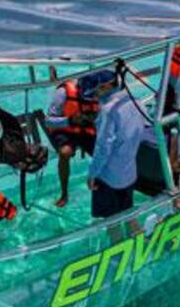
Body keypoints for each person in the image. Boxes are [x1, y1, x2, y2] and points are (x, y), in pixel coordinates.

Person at [85, 69, 148, 220]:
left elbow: (103, 148)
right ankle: (139, 241)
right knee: (129, 216)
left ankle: (119, 243)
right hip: (129, 173)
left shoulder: (108, 111)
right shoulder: (136, 101)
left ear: (105, 87)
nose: (94, 97)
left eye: (95, 92)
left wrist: (92, 174)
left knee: (111, 222)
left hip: (109, 177)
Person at [44, 69, 110, 208]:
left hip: (86, 129)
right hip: (65, 129)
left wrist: (95, 120)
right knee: (65, 152)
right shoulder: (63, 92)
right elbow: (48, 121)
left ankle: (105, 184)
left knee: (105, 150)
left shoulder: (101, 94)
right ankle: (64, 193)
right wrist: (70, 121)